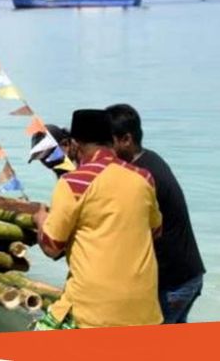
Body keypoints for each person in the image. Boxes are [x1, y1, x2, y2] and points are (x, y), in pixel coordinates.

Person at [32, 109, 163, 329]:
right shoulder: (144, 177)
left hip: (93, 313)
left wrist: (40, 219)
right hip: (146, 312)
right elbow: (155, 231)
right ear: (111, 140)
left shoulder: (73, 182)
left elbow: (52, 246)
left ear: (74, 144)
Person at [106, 104, 205, 324]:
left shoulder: (141, 176)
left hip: (173, 283)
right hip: (187, 275)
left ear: (126, 139)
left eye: (107, 143)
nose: (103, 151)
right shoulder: (147, 159)